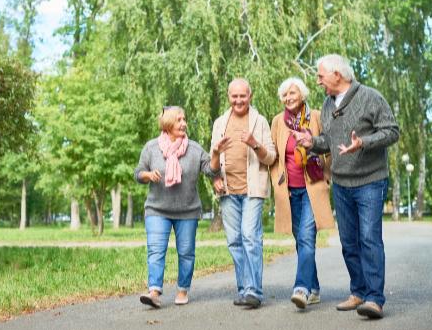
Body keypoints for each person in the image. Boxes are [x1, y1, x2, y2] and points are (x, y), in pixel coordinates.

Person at [293, 54, 399, 319]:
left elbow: (392, 131)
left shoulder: (371, 97)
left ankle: (375, 298)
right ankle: (358, 292)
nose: (318, 81)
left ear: (337, 75)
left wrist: (363, 142)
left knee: (369, 239)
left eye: (320, 76)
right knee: (348, 241)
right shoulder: (328, 105)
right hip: (341, 183)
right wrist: (312, 142)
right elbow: (329, 141)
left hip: (370, 181)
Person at [134, 106, 219, 308]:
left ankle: (182, 289)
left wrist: (216, 154)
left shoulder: (195, 149)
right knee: (156, 250)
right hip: (157, 209)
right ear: (168, 124)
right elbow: (138, 172)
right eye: (179, 120)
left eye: (184, 119)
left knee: (186, 251)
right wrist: (148, 175)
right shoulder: (151, 148)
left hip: (187, 211)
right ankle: (154, 291)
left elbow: (211, 169)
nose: (184, 123)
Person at [270, 77, 337, 310]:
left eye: (293, 93)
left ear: (302, 95)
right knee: (300, 240)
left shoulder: (316, 117)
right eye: (285, 94)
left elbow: (328, 144)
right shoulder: (279, 122)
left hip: (313, 186)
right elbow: (274, 155)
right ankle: (315, 287)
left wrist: (325, 173)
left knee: (307, 237)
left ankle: (301, 288)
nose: (289, 97)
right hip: (289, 190)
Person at [210, 78, 277, 308]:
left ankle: (254, 291)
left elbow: (271, 157)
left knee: (250, 236)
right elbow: (212, 161)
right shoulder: (220, 122)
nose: (238, 100)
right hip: (228, 190)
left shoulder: (259, 122)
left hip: (252, 189)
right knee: (234, 241)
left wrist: (255, 144)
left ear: (250, 96)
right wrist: (215, 177)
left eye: (243, 96)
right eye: (234, 96)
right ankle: (244, 289)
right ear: (229, 96)